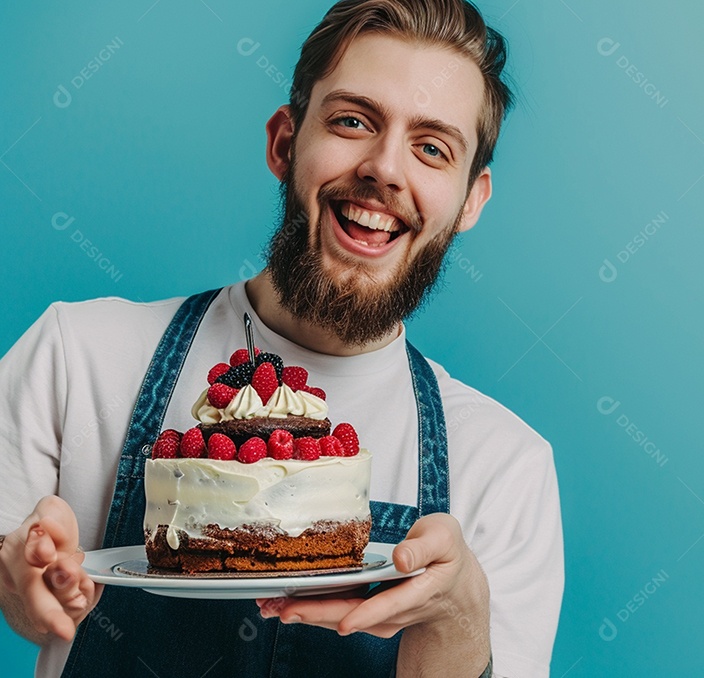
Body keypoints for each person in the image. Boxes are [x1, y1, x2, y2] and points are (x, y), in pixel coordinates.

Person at [0, 1, 564, 676]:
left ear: (470, 200)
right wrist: (24, 578)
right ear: (284, 143)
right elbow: (21, 591)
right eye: (353, 121)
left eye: (432, 148)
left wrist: (457, 614)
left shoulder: (505, 467)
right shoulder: (77, 355)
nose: (385, 168)